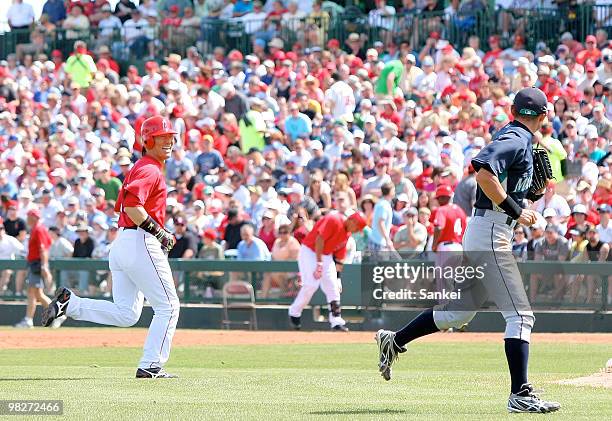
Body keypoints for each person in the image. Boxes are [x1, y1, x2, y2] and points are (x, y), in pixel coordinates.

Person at [375, 88, 561, 413]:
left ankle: (395, 340)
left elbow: (499, 179)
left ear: (514, 109)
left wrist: (526, 196)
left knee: (458, 313)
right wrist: (517, 210)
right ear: (543, 117)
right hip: (491, 232)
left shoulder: (518, 139)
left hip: (486, 230)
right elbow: (484, 172)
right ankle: (521, 394)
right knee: (520, 315)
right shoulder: (516, 138)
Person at [42, 116, 181, 379]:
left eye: (170, 136)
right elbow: (131, 207)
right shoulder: (149, 168)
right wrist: (160, 232)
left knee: (127, 313)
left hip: (124, 243)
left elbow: (126, 207)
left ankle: (70, 305)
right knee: (169, 307)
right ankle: (151, 364)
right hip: (140, 240)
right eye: (162, 136)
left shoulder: (144, 167)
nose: (169, 141)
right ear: (148, 140)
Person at [288, 211, 367, 331]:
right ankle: (294, 312)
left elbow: (340, 258)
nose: (357, 231)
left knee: (333, 286)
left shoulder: (347, 234)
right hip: (310, 250)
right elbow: (319, 239)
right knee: (311, 285)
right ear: (352, 221)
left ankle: (336, 321)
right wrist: (319, 262)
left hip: (325, 254)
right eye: (358, 227)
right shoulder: (334, 219)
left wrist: (338, 277)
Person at [14, 209, 54, 329]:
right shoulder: (37, 229)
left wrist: (44, 266)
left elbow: (43, 249)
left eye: (29, 216)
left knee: (34, 292)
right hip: (35, 263)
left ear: (34, 217)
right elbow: (48, 244)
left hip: (37, 264)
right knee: (35, 293)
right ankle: (30, 319)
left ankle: (29, 320)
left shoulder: (38, 229)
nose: (27, 218)